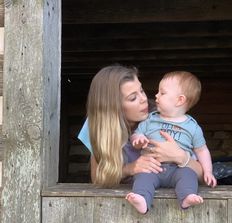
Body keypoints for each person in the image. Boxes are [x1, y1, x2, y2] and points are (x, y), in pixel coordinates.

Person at [77, 64, 203, 188]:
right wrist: (129, 169)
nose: (143, 99)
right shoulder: (97, 124)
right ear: (113, 108)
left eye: (141, 90)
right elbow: (97, 178)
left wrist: (181, 157)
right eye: (133, 98)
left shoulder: (161, 116)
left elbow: (203, 177)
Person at [126, 71, 216, 214]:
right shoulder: (150, 119)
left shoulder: (192, 127)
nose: (156, 95)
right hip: (152, 167)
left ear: (180, 100)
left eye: (162, 93)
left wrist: (208, 171)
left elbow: (202, 150)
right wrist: (137, 140)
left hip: (178, 169)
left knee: (188, 175)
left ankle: (187, 196)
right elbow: (137, 134)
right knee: (143, 178)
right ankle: (142, 200)